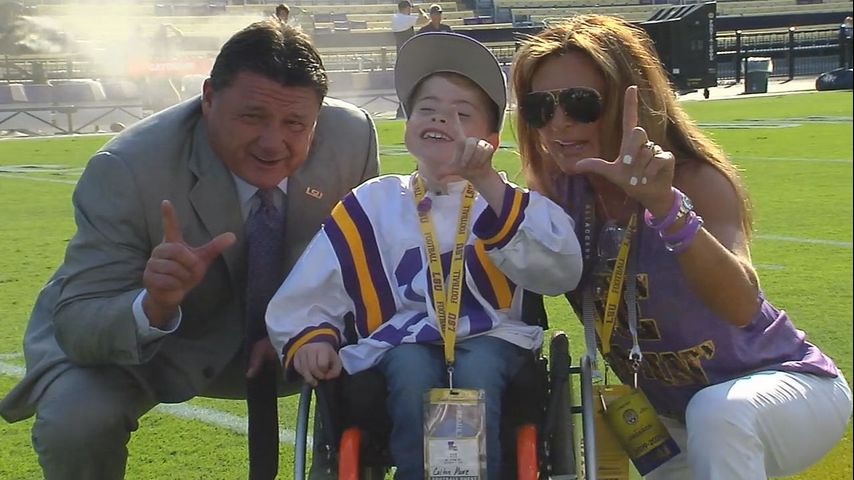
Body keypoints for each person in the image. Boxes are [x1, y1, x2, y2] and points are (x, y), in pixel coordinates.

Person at [0, 20, 379, 479]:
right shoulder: (128, 168)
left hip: (301, 338)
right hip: (165, 342)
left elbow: (370, 272)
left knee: (386, 371)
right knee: (76, 418)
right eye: (252, 117)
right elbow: (79, 320)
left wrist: (303, 325)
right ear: (208, 98)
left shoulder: (352, 137)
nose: (272, 142)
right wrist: (154, 304)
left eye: (295, 124)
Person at [510, 15, 852, 480]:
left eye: (580, 102)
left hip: (779, 386)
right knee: (704, 423)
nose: (559, 122)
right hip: (668, 421)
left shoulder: (695, 180)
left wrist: (664, 207)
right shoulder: (556, 196)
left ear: (631, 98)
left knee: (718, 415)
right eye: (539, 107)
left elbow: (741, 304)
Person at [266, 32, 583, 479]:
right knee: (410, 366)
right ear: (408, 123)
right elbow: (313, 283)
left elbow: (562, 269)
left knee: (479, 366)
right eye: (427, 108)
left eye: (462, 113)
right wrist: (311, 336)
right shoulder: (371, 204)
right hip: (398, 342)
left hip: (493, 335)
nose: (441, 118)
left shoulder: (508, 201)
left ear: (491, 139)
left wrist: (487, 182)